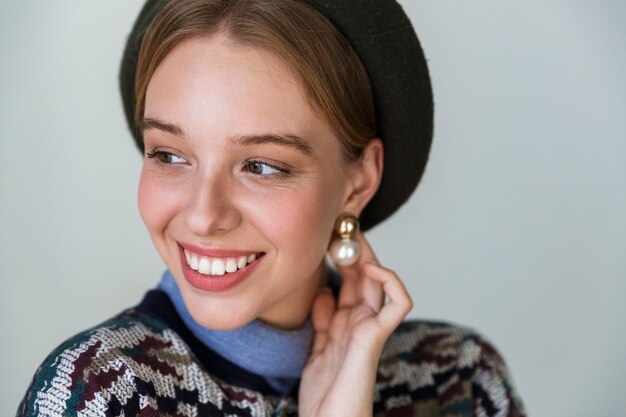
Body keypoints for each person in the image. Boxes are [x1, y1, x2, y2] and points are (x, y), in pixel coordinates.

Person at [17, 0, 526, 416]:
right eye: (169, 155)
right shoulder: (100, 391)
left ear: (358, 181)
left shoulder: (457, 381)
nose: (202, 215)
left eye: (261, 166)